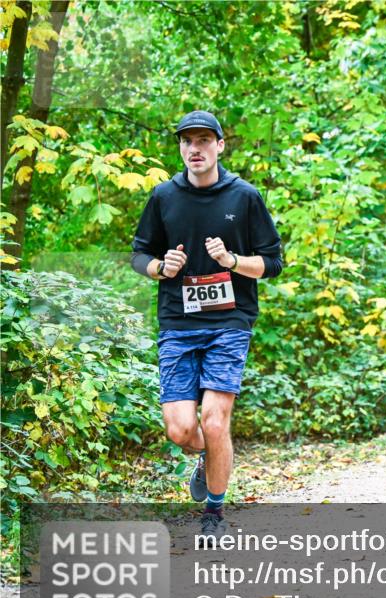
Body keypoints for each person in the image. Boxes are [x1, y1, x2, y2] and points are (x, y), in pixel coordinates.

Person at [130, 110, 283, 537]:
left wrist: (232, 261)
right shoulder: (163, 197)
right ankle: (210, 456)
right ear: (181, 148)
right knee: (181, 429)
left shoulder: (244, 197)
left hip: (229, 322)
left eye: (203, 141)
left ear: (219, 145)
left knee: (216, 421)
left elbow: (272, 263)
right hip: (178, 322)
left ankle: (214, 514)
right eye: (186, 142)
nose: (194, 149)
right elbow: (139, 255)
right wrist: (162, 267)